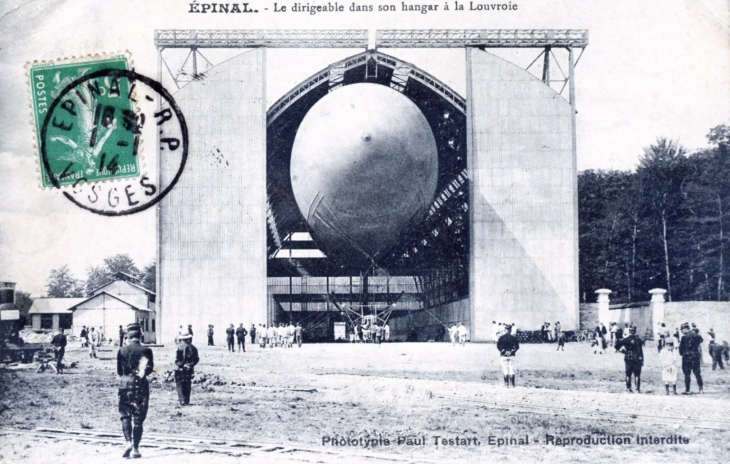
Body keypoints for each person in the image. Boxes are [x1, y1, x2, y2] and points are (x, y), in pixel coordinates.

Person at [116, 323, 154, 459]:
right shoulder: (146, 351)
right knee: (138, 419)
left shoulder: (122, 350)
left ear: (128, 336)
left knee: (125, 415)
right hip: (140, 385)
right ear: (140, 335)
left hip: (125, 384)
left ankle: (128, 442)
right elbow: (149, 369)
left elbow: (120, 371)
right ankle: (136, 449)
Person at [615, 326, 644, 393]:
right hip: (637, 358)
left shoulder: (626, 339)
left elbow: (616, 346)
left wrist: (622, 351)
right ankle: (637, 389)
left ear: (629, 332)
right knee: (637, 374)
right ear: (635, 331)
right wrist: (642, 360)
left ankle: (628, 388)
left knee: (628, 374)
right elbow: (640, 351)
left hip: (628, 357)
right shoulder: (638, 340)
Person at [175, 332, 199, 406]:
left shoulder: (179, 347)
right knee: (187, 384)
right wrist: (190, 365)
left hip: (180, 369)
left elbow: (177, 359)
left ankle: (182, 400)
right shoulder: (193, 348)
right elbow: (196, 359)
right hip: (189, 369)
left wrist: (182, 365)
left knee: (180, 384)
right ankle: (186, 400)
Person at [678, 322, 703, 394]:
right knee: (697, 373)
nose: (681, 331)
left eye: (682, 330)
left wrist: (681, 353)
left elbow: (681, 348)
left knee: (687, 373)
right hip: (696, 356)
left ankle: (687, 390)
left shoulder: (684, 337)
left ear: (685, 329)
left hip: (687, 357)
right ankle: (701, 389)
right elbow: (701, 340)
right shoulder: (696, 335)